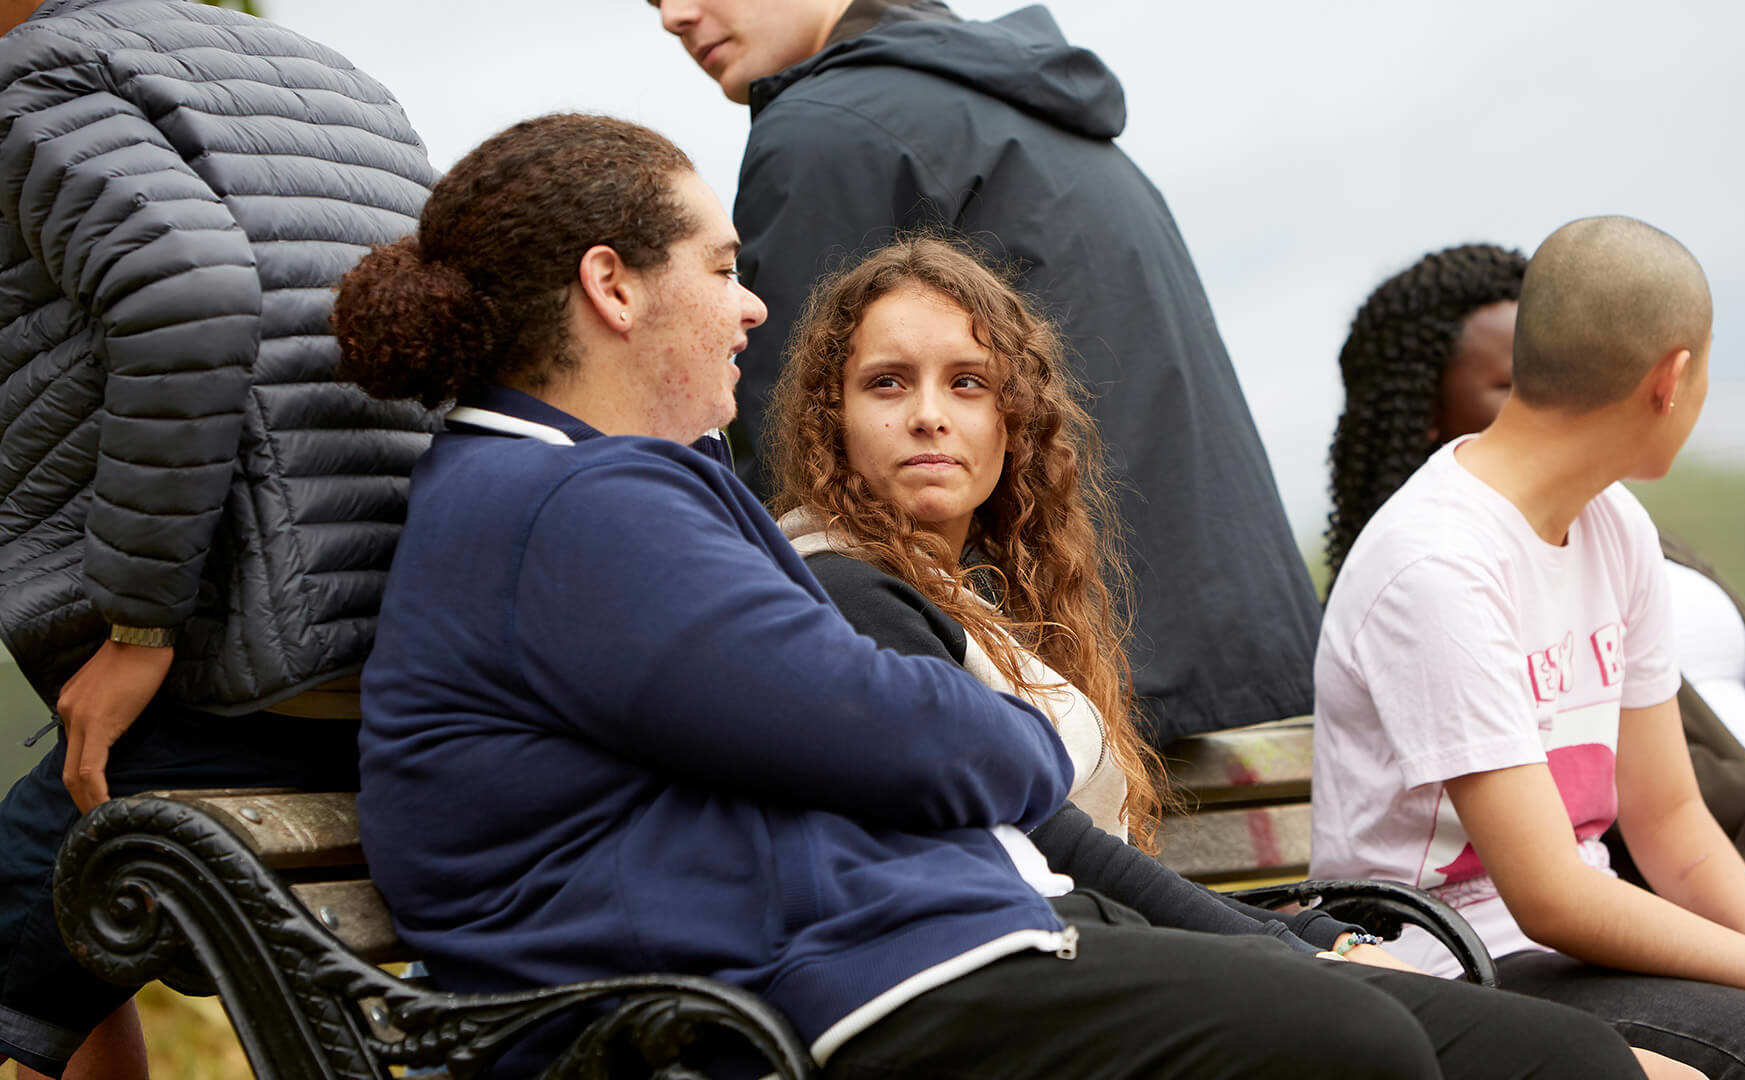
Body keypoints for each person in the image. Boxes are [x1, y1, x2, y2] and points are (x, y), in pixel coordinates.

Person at [337, 113, 1653, 1080]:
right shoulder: (575, 510)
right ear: (613, 287)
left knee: (1516, 1057)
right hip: (720, 1014)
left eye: (972, 386)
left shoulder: (599, 488)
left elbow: (843, 726)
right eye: (722, 265)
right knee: (1346, 1043)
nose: (749, 306)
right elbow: (891, 726)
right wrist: (1001, 726)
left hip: (828, 968)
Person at [761, 233, 1710, 1080]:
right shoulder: (845, 593)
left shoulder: (979, 600)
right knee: (1551, 1056)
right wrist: (1304, 946)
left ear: (1012, 419)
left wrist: (1304, 930)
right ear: (831, 416)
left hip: (1109, 952)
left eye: (967, 383)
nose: (930, 414)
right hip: (1001, 977)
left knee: (1567, 1053)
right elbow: (1051, 841)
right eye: (888, 383)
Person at [1311, 216, 1745, 1079]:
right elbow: (1550, 894)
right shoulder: (1437, 562)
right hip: (1451, 964)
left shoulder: (1615, 526)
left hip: (1573, 951)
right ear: (1671, 379)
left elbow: (1669, 819)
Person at [648, 0, 1322, 746]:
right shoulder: (1007, 100)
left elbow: (792, 451)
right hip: (1167, 651)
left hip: (1043, 684)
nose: (674, 16)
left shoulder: (827, 129)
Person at [0, 0, 436, 1076]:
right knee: (62, 938)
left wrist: (140, 628)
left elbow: (189, 288)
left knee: (59, 871)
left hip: (225, 681)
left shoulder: (36, 84)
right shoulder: (330, 78)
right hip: (395, 667)